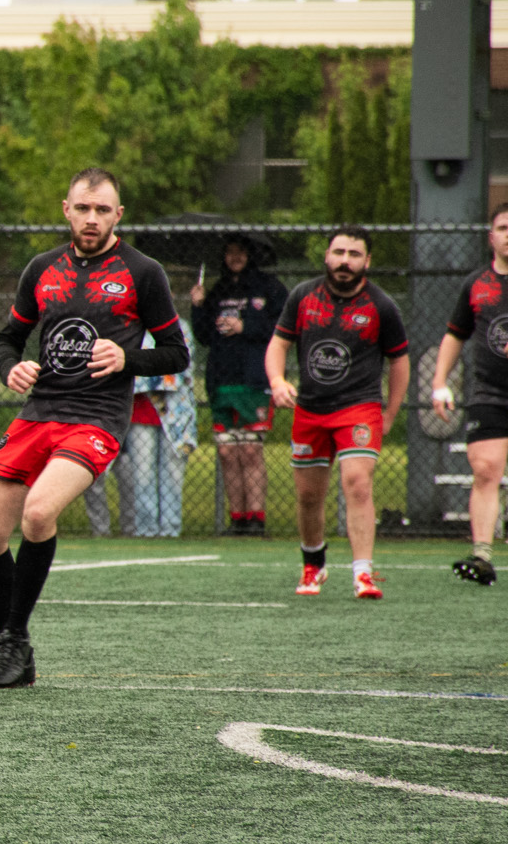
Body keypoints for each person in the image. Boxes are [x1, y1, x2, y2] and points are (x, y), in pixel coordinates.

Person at [0, 168, 185, 688]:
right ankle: (14, 650)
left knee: (39, 513)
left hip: (97, 417)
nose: (91, 219)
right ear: (66, 209)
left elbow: (177, 352)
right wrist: (9, 368)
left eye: (102, 210)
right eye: (83, 209)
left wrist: (128, 356)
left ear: (118, 215)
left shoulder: (143, 271)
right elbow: (7, 340)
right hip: (38, 413)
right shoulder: (41, 268)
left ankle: (12, 645)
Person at [267, 226, 409, 600]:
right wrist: (278, 381)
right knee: (309, 496)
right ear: (327, 256)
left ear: (368, 261)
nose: (345, 261)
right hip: (310, 410)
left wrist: (390, 412)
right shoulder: (302, 296)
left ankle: (363, 573)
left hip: (358, 409)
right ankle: (313, 563)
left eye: (354, 254)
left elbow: (399, 362)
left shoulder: (381, 306)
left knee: (357, 483)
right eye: (339, 252)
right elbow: (278, 345)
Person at [431, 203, 508, 585]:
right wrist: (440, 382)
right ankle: (482, 555)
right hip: (490, 393)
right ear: (491, 236)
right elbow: (455, 334)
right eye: (504, 227)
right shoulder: (477, 284)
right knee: (485, 470)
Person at [190, 236, 287, 535]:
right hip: (222, 380)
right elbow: (205, 335)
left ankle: (256, 519)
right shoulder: (218, 290)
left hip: (253, 379)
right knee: (227, 453)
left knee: (249, 451)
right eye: (229, 252)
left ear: (250, 255)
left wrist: (247, 327)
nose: (235, 257)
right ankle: (237, 520)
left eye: (240, 252)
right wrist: (198, 306)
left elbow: (284, 327)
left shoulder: (268, 288)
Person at [111, 323, 196, 537]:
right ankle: (146, 529)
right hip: (141, 412)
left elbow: (181, 364)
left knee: (172, 473)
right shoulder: (130, 327)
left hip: (176, 413)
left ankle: (170, 528)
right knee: (143, 474)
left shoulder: (179, 327)